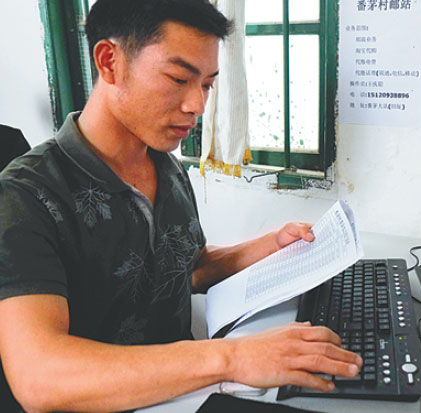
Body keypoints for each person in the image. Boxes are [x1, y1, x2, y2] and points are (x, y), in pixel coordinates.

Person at [0, 0, 362, 411]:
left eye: (207, 84)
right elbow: (39, 377)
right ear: (109, 61)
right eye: (178, 79)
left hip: (184, 393)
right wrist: (233, 358)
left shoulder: (166, 167)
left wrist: (268, 246)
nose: (197, 106)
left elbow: (187, 269)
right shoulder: (25, 194)